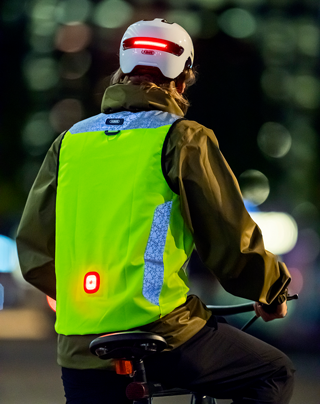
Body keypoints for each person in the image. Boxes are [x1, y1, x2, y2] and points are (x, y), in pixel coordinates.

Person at [16, 18, 295, 404]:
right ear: (183, 82)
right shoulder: (183, 137)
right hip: (164, 332)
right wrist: (270, 289)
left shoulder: (69, 143)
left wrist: (92, 304)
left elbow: (34, 252)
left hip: (82, 346)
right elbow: (228, 238)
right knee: (271, 373)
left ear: (121, 72)